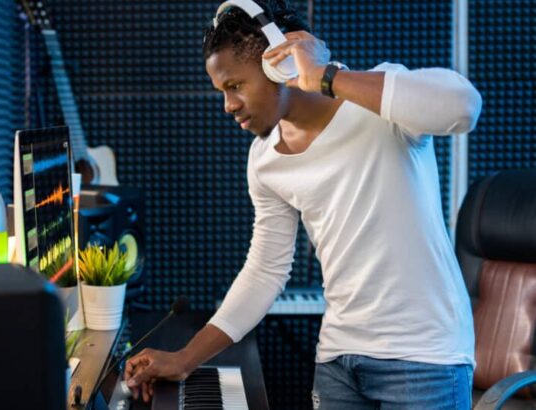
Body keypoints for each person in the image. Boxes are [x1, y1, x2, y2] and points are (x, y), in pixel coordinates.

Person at [124, 1, 482, 408]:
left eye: (235, 85)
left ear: (281, 66)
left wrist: (327, 76)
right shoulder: (265, 159)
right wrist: (185, 358)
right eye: (222, 92)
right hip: (339, 360)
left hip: (426, 360)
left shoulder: (377, 102)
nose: (228, 105)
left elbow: (464, 106)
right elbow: (265, 269)